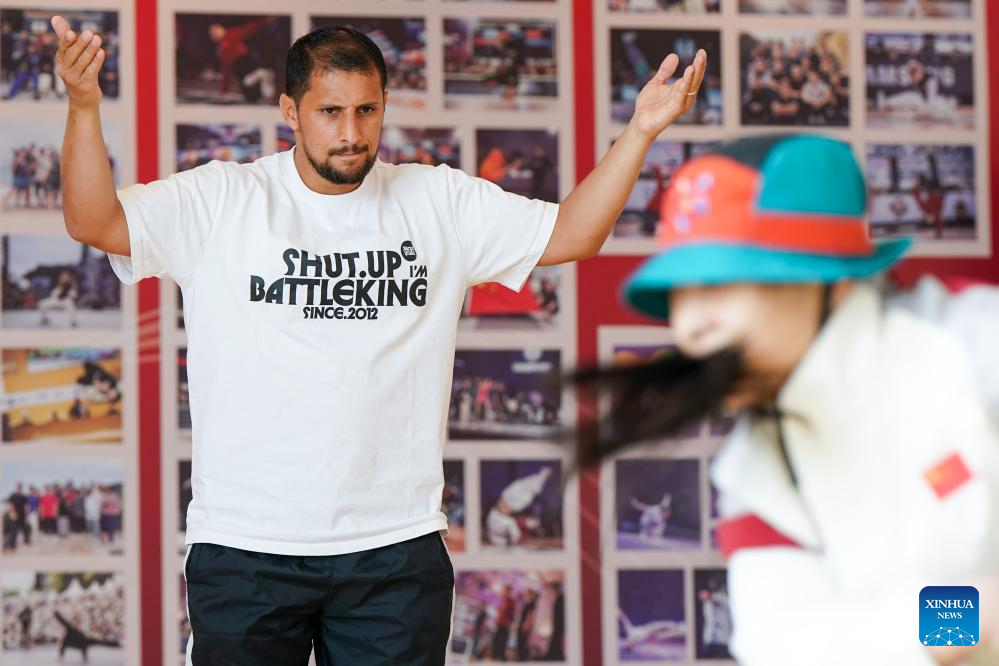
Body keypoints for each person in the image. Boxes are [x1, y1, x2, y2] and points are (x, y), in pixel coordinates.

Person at [52, 12, 706, 663]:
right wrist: (83, 107)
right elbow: (93, 221)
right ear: (290, 111)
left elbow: (573, 233)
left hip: (394, 547)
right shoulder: (223, 199)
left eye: (366, 110)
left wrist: (640, 130)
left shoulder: (436, 200)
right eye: (330, 112)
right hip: (246, 544)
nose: (351, 133)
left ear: (385, 105)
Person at [574, 134, 999, 665]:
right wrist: (966, 615)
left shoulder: (972, 343)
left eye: (718, 283)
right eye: (679, 293)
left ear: (830, 281)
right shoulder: (753, 472)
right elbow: (784, 643)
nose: (689, 327)